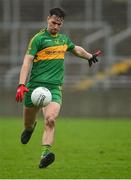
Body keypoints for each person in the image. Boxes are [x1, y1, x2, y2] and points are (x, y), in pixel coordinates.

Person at [16, 7, 101, 169]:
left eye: (59, 24)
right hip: (33, 87)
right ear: (48, 19)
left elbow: (76, 49)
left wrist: (90, 56)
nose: (55, 26)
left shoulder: (63, 40)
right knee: (28, 124)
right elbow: (27, 61)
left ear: (62, 24)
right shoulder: (38, 39)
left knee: (51, 120)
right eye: (53, 22)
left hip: (54, 89)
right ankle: (29, 128)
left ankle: (45, 154)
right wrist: (21, 84)